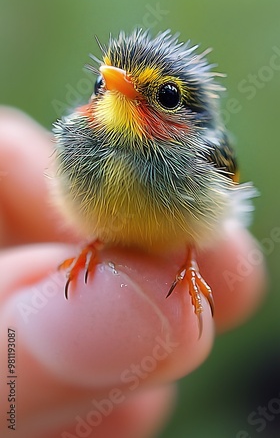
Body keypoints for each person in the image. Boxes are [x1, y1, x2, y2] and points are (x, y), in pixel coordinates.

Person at [0, 106, 266, 438]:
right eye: (102, 82)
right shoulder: (76, 136)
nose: (116, 86)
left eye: (164, 95)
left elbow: (224, 200)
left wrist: (189, 259)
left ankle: (187, 264)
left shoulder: (205, 149)